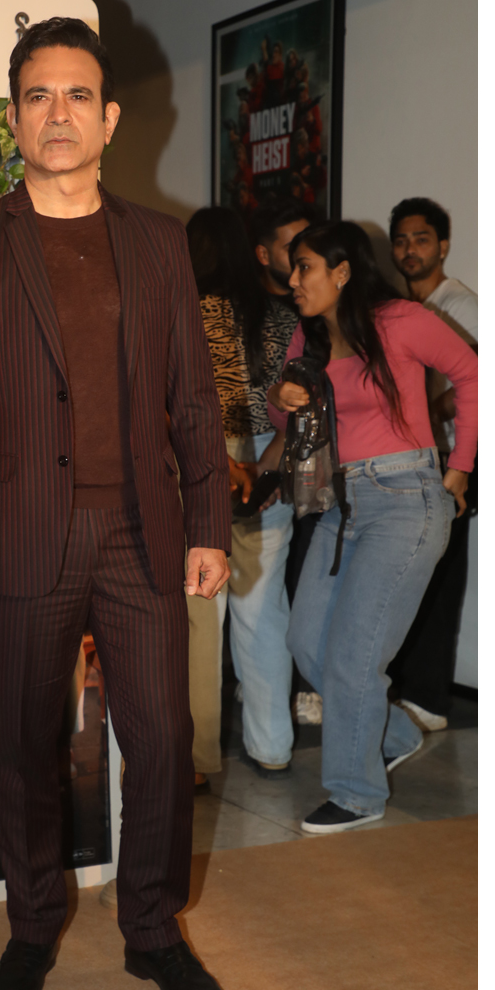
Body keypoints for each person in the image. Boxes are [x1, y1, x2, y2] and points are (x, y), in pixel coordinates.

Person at [0, 17, 232, 990]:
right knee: (24, 747)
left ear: (110, 119)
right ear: (15, 119)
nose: (59, 113)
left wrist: (209, 524)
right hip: (19, 536)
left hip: (143, 534)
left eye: (78, 95)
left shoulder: (159, 242)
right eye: (39, 96)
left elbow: (192, 397)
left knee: (163, 740)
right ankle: (31, 926)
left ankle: (153, 932)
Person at [270, 222, 477, 834]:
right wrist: (284, 402)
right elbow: (293, 430)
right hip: (340, 504)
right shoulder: (306, 339)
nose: (292, 279)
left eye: (304, 266)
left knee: (355, 657)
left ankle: (357, 795)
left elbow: (475, 375)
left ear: (341, 271)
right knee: (307, 643)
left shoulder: (400, 320)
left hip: (403, 497)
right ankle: (393, 733)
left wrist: (460, 467)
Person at [189, 203, 306, 782]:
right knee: (263, 610)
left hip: (202, 459)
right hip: (268, 461)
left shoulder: (179, 311)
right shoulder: (282, 317)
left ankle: (197, 758)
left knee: (199, 614)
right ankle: (272, 746)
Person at [384, 198, 478, 732]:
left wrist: (441, 410)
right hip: (415, 457)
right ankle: (410, 687)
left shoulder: (459, 304)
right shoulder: (401, 307)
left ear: (442, 246)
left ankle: (430, 700)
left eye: (421, 239)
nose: (409, 249)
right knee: (414, 572)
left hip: (455, 457)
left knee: (440, 576)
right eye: (401, 240)